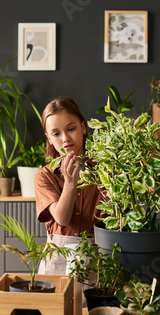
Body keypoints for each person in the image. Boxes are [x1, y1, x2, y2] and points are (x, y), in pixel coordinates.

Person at [35, 96, 102, 275]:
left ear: (83, 127)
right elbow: (62, 219)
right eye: (56, 134)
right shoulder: (45, 176)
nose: (65, 138)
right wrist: (71, 183)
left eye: (71, 129)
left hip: (99, 259)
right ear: (49, 138)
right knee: (56, 303)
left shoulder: (105, 169)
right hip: (58, 260)